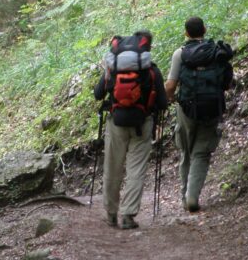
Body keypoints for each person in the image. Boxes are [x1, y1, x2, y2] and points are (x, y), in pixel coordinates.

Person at [94, 30, 168, 229]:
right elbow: (162, 102)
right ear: (147, 47)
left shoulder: (113, 68)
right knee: (136, 170)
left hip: (115, 123)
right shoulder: (152, 71)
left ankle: (111, 214)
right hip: (142, 124)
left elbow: (98, 94)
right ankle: (128, 216)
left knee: (112, 167)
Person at [165, 17, 233, 213]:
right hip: (212, 107)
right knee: (201, 153)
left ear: (186, 33)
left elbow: (170, 85)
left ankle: (184, 196)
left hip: (187, 107)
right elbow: (227, 83)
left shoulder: (180, 53)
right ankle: (192, 196)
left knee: (186, 151)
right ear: (205, 29)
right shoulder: (217, 52)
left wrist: (170, 98)